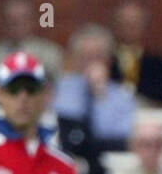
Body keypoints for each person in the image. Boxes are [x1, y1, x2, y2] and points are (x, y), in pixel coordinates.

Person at [53, 24, 136, 152]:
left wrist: (99, 95)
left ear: (109, 59)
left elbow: (121, 136)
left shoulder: (123, 95)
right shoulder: (59, 89)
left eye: (98, 57)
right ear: (74, 59)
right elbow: (61, 128)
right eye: (85, 57)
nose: (91, 63)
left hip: (107, 159)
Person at [0, 0, 64, 100]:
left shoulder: (50, 53)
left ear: (32, 21)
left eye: (23, 19)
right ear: (2, 23)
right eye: (11, 20)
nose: (17, 24)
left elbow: (56, 90)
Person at [110, 0, 162, 107]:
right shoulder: (106, 60)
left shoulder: (157, 62)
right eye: (124, 23)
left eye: (135, 23)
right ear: (115, 25)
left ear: (144, 26)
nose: (129, 28)